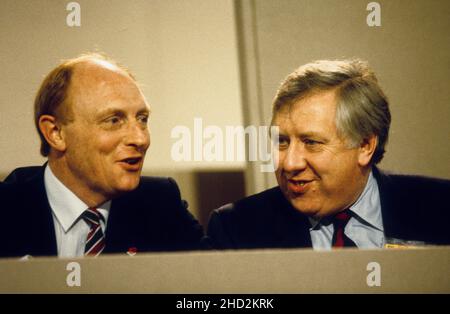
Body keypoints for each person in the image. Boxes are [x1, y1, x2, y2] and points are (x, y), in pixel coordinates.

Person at [207, 59, 450, 250]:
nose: (289, 163)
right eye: (281, 142)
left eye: (311, 142)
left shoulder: (440, 207)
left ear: (365, 145)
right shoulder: (236, 229)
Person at [0, 53, 204, 258]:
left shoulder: (160, 205)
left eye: (142, 119)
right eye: (114, 120)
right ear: (55, 133)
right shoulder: (7, 207)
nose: (140, 139)